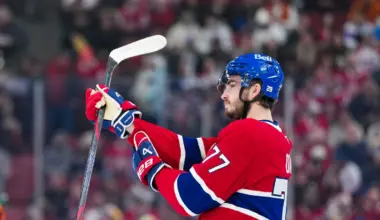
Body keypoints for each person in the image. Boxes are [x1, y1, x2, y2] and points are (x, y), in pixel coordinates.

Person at [85, 53, 292, 220]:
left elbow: (190, 197)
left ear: (255, 90)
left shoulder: (250, 134)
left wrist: (154, 171)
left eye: (233, 84)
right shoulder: (268, 137)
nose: (224, 94)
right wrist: (126, 121)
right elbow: (184, 151)